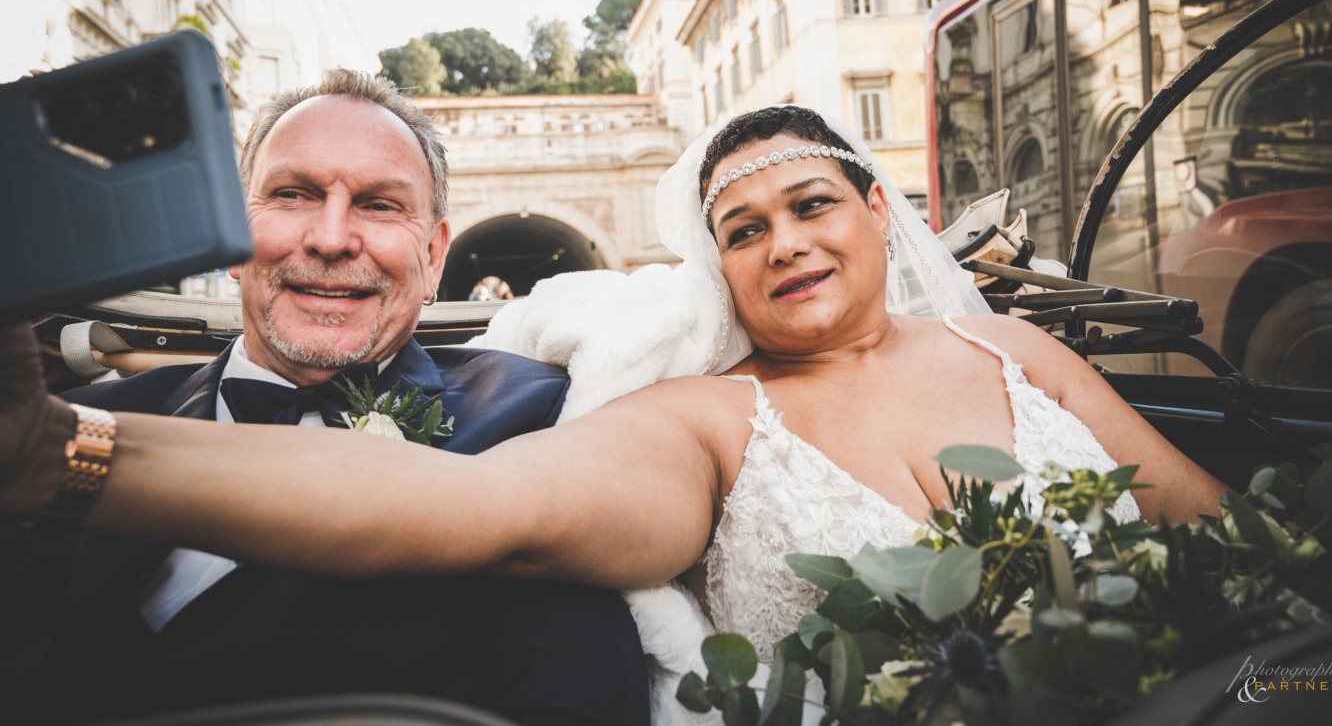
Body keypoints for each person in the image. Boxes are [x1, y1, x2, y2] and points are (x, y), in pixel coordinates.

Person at [0, 106, 1225, 723]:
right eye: (740, 230)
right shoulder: (700, 418)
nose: (783, 242)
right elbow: (492, 507)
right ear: (710, 270)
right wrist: (56, 448)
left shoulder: (1011, 345)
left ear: (877, 207)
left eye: (809, 205)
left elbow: (1231, 555)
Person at [0, 70, 650, 726]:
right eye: (292, 194)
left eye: (378, 204)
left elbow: (581, 692)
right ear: (231, 228)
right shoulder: (80, 418)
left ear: (432, 256)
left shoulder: (531, 419)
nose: (332, 238)